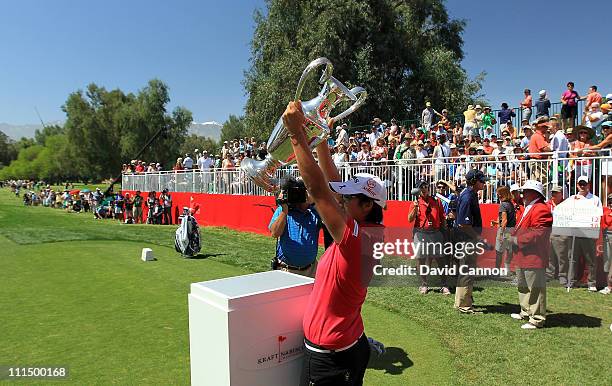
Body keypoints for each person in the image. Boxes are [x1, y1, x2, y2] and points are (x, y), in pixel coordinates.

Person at [283, 101, 386, 386]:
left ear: (366, 205)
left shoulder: (356, 238)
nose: (343, 199)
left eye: (349, 198)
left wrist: (296, 134)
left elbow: (318, 190)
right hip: (349, 343)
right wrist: (321, 140)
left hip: (331, 357)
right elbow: (332, 186)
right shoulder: (367, 229)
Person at [509, 180, 553, 329]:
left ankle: (537, 318)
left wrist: (515, 239)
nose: (522, 194)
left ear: (534, 193)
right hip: (524, 254)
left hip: (534, 255)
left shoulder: (541, 208)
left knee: (535, 288)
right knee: (523, 285)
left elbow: (538, 234)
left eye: (525, 191)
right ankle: (526, 311)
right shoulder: (529, 207)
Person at [268, 176, 321, 278]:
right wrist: (284, 210)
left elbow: (331, 218)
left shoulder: (315, 211)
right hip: (286, 270)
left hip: (311, 270)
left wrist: (314, 201)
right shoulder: (283, 210)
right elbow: (275, 233)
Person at [408, 180, 450, 295]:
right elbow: (410, 219)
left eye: (426, 186)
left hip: (435, 232)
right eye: (422, 187)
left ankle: (444, 285)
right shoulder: (415, 202)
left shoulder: (436, 201)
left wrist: (444, 232)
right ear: (418, 189)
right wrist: (415, 209)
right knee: (421, 259)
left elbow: (442, 217)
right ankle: (424, 284)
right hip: (420, 232)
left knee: (440, 259)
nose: (425, 189)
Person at [454, 169, 487, 313]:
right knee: (467, 272)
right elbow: (464, 224)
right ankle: (464, 305)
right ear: (474, 182)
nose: (484, 183)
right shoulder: (468, 197)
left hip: (466, 239)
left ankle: (460, 302)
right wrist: (477, 237)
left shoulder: (470, 194)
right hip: (467, 239)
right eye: (481, 180)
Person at [566, 175, 602, 291]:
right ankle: (571, 282)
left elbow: (598, 216)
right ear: (577, 185)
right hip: (575, 232)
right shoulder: (572, 198)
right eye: (580, 184)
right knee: (572, 258)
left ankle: (592, 283)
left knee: (590, 259)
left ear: (588, 185)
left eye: (584, 184)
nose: (582, 186)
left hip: (588, 232)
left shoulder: (595, 199)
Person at [491, 186, 516, 271]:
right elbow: (506, 220)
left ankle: (496, 271)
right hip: (510, 231)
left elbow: (503, 221)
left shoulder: (503, 205)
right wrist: (496, 222)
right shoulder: (510, 204)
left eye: (499, 194)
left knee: (499, 251)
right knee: (509, 250)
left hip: (504, 231)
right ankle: (507, 269)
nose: (498, 196)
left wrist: (500, 234)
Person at [547, 186, 567, 281]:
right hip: (549, 231)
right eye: (552, 192)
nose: (553, 194)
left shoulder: (566, 204)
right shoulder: (547, 204)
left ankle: (562, 275)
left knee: (562, 255)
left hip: (561, 231)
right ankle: (550, 273)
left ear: (561, 194)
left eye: (556, 193)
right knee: (549, 254)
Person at [599, 194, 612, 294]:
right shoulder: (605, 210)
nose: (611, 203)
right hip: (607, 236)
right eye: (610, 201)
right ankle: (609, 286)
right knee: (607, 261)